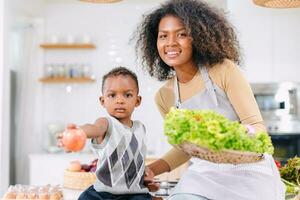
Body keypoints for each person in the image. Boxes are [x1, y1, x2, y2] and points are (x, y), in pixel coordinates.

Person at [134, 0, 285, 199]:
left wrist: (231, 138)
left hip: (249, 173)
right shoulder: (164, 96)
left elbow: (257, 127)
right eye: (163, 36)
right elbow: (184, 148)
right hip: (203, 176)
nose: (170, 42)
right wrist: (151, 170)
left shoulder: (223, 70)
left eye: (182, 34)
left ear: (197, 37)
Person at [58, 67, 153, 200]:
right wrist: (79, 131)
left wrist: (144, 173)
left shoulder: (140, 128)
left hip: (135, 194)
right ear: (103, 101)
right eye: (112, 95)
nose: (120, 100)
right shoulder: (106, 123)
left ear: (137, 101)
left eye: (127, 95)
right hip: (102, 194)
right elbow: (93, 128)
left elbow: (135, 159)